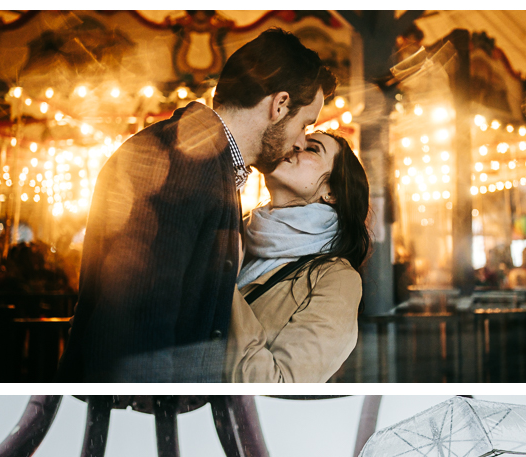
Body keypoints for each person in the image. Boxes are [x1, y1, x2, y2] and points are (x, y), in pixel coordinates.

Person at [58, 29, 335, 382]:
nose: (300, 142)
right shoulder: (182, 162)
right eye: (304, 124)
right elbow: (142, 321)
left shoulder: (203, 160)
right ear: (279, 105)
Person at [224, 129, 370, 382]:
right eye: (298, 141)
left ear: (331, 192)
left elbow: (282, 384)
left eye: (312, 148)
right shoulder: (235, 232)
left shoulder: (337, 280)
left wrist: (224, 279)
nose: (294, 146)